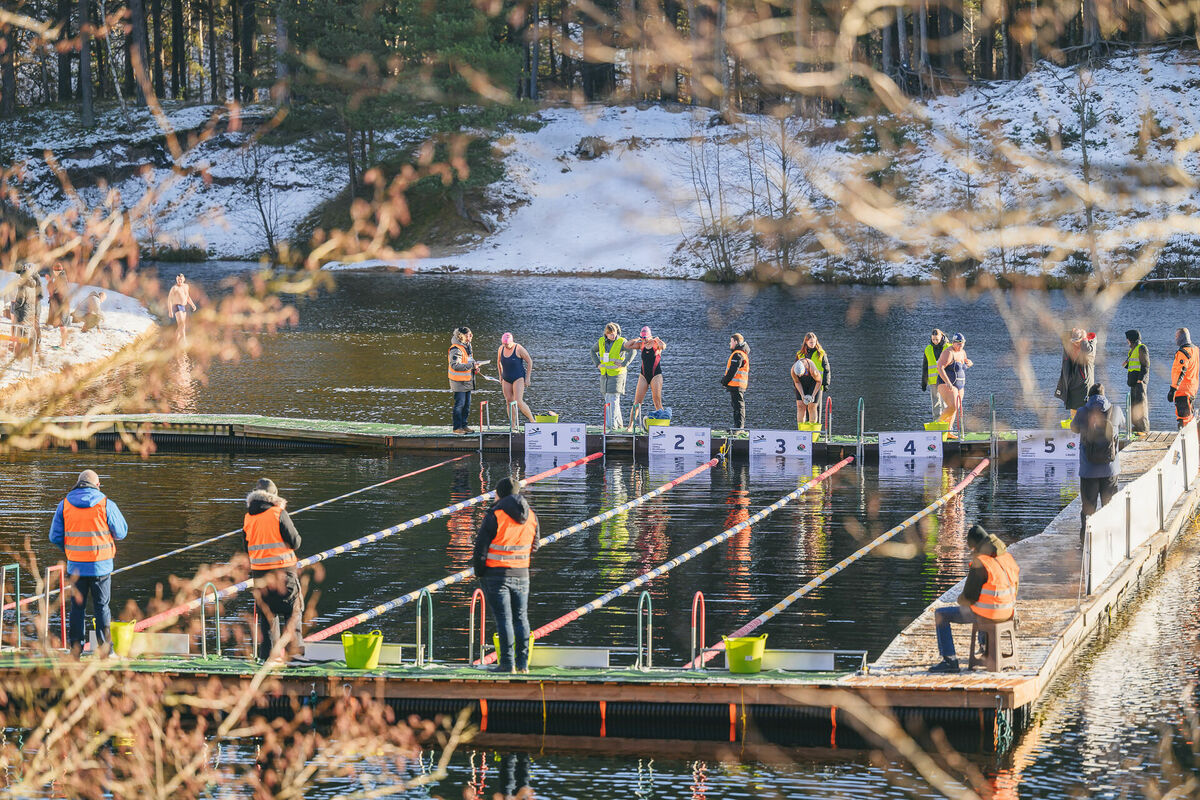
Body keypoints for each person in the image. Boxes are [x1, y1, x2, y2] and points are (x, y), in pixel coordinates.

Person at [48, 469, 129, 655]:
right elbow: (122, 532)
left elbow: (54, 536)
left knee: (77, 608)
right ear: (97, 485)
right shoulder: (105, 504)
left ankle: (76, 650)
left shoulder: (64, 504)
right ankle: (106, 651)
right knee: (102, 607)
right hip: (101, 566)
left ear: (78, 484)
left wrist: (70, 549)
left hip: (76, 566)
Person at [929, 524, 1019, 674]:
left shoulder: (981, 563)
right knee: (984, 603)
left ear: (974, 546)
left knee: (941, 614)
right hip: (1009, 611)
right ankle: (985, 648)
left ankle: (949, 660)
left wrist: (961, 600)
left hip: (990, 613)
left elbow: (969, 596)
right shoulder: (1006, 558)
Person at [473, 477, 539, 673]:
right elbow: (535, 545)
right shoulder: (531, 515)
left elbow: (480, 550)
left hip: (496, 574)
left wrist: (479, 572)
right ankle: (522, 665)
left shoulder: (496, 514)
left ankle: (507, 664)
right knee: (521, 618)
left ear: (499, 494)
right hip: (522, 573)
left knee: (504, 619)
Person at [242, 478, 303, 661]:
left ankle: (268, 661)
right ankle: (295, 659)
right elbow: (295, 541)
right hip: (284, 574)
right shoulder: (278, 513)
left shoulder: (248, 518)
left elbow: (247, 548)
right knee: (293, 614)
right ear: (273, 496)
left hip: (260, 576)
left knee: (267, 620)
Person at [1071, 383, 1124, 538]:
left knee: (1088, 509)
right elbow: (1123, 423)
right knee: (1110, 508)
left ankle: (1086, 541)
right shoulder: (1116, 410)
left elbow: (1073, 428)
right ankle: (1112, 539)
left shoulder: (1082, 412)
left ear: (1089, 396)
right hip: (1110, 470)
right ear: (1104, 395)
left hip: (1088, 471)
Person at [593, 322, 633, 430]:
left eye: (614, 333)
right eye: (610, 333)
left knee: (614, 399)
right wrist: (598, 364)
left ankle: (612, 426)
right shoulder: (601, 341)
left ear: (617, 332)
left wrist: (624, 364)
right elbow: (592, 351)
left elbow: (632, 351)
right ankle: (619, 424)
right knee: (608, 398)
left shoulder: (622, 341)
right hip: (605, 375)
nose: (612, 335)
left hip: (618, 374)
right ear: (606, 334)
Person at [625, 326, 666, 427]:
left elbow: (664, 346)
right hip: (643, 376)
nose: (644, 340)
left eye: (645, 338)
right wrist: (638, 339)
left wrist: (657, 339)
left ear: (650, 336)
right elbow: (627, 345)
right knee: (637, 402)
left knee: (657, 401)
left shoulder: (656, 344)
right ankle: (630, 426)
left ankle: (663, 426)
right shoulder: (641, 344)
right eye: (642, 338)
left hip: (656, 375)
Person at [934, 333, 973, 437]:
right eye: (958, 344)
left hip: (960, 384)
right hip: (946, 383)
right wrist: (947, 381)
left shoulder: (962, 352)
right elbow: (940, 367)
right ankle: (937, 424)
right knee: (953, 406)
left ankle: (948, 431)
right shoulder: (948, 352)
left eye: (962, 343)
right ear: (953, 343)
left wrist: (969, 363)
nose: (960, 346)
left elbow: (964, 364)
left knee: (956, 408)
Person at [449, 326, 485, 435]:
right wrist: (471, 365)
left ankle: (464, 425)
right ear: (462, 336)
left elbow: (469, 361)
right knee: (459, 404)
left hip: (467, 380)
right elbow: (455, 365)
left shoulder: (468, 346)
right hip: (458, 381)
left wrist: (475, 366)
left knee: (467, 405)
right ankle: (457, 428)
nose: (472, 336)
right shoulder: (456, 349)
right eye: (469, 334)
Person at [1055, 328, 1095, 416]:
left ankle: (1083, 425)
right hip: (1071, 381)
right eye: (1073, 341)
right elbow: (1063, 335)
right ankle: (1075, 424)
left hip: (1083, 382)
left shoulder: (1089, 345)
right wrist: (1072, 332)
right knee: (1073, 405)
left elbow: (1087, 350)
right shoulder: (1069, 345)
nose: (1075, 344)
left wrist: (1084, 338)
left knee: (1084, 406)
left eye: (1078, 342)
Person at [497, 333, 535, 426]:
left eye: (507, 344)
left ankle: (532, 421)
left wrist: (528, 378)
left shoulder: (518, 348)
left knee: (518, 401)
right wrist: (500, 375)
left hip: (518, 377)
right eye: (504, 344)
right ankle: (513, 425)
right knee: (509, 401)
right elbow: (498, 362)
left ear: (511, 342)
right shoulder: (501, 348)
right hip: (506, 377)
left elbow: (530, 361)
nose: (505, 346)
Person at [1169, 327, 1199, 428]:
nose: (1175, 339)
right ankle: (1191, 440)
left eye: (1176, 336)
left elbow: (1180, 372)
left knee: (1183, 419)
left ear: (1182, 337)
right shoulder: (1196, 350)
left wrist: (1173, 389)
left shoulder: (1183, 353)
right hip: (1192, 388)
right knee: (1189, 416)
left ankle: (1184, 442)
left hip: (1183, 390)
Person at [798, 332, 830, 422]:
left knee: (814, 406)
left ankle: (815, 430)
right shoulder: (800, 354)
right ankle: (805, 428)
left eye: (814, 342)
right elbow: (796, 370)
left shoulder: (821, 354)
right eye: (810, 342)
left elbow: (827, 370)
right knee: (804, 406)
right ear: (806, 342)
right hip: (804, 383)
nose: (812, 344)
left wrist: (826, 384)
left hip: (817, 383)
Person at [1123, 329, 1149, 435]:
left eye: (1128, 339)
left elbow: (1145, 365)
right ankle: (1137, 427)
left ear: (1131, 339)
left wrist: (1141, 379)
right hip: (1133, 382)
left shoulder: (1141, 348)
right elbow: (1134, 365)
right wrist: (1126, 365)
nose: (1127, 341)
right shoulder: (1132, 349)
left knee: (1140, 405)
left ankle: (1143, 429)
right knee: (1134, 405)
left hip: (1139, 383)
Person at [721, 333, 749, 430]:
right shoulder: (741, 353)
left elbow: (732, 371)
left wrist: (724, 381)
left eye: (731, 341)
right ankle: (737, 428)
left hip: (737, 385)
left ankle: (739, 429)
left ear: (736, 342)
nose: (730, 344)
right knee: (737, 407)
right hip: (737, 385)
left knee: (738, 407)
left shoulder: (738, 355)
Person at [921, 329, 949, 419]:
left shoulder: (948, 347)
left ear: (941, 337)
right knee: (935, 403)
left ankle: (947, 422)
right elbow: (925, 367)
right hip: (933, 381)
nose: (935, 341)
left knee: (945, 401)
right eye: (933, 339)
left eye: (937, 339)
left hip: (945, 379)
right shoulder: (928, 349)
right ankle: (937, 421)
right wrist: (924, 382)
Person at [791, 350, 822, 426]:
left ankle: (812, 430)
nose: (801, 376)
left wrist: (813, 395)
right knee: (800, 406)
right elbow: (797, 382)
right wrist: (802, 395)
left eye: (803, 374)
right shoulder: (793, 370)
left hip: (814, 383)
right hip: (801, 384)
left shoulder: (812, 369)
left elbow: (819, 381)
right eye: (799, 375)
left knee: (812, 406)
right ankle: (801, 430)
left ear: (805, 369)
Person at [166, 273, 198, 344]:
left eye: (180, 279)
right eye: (177, 279)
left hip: (183, 307)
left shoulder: (186, 286)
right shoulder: (174, 288)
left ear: (183, 279)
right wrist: (170, 311)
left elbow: (187, 297)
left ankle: (174, 341)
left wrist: (193, 305)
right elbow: (169, 300)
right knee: (182, 325)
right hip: (176, 306)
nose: (179, 281)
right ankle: (184, 342)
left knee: (181, 326)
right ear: (176, 279)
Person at [46, 264, 71, 349]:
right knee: (62, 326)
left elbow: (54, 291)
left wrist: (49, 281)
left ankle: (63, 345)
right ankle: (63, 344)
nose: (54, 273)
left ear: (56, 271)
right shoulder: (61, 277)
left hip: (62, 305)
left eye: (55, 271)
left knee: (63, 326)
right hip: (62, 305)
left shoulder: (61, 278)